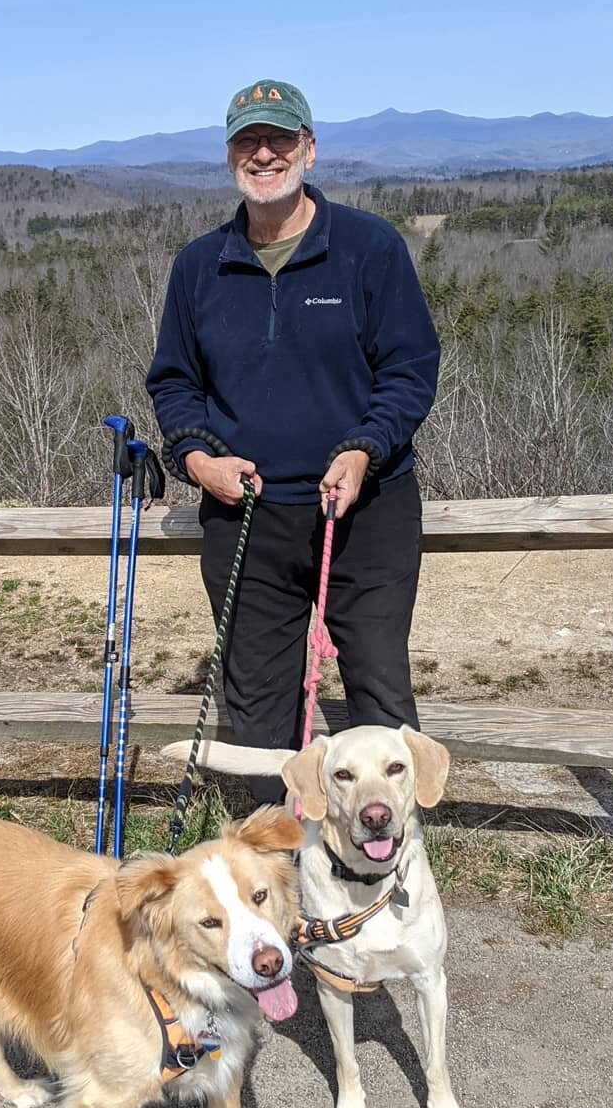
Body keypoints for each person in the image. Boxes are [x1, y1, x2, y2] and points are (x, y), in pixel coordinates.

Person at [146, 78, 440, 805]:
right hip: (246, 513)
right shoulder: (198, 266)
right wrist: (197, 460)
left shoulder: (368, 249)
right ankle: (266, 873)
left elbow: (410, 369)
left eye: (280, 139)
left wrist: (364, 448)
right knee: (256, 708)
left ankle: (384, 869)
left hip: (365, 510)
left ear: (311, 148)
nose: (265, 153)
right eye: (249, 141)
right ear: (230, 157)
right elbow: (174, 384)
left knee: (377, 686)